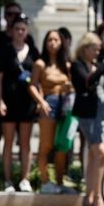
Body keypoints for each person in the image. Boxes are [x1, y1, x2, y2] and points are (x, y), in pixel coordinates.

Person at [71, 32, 104, 206]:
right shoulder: (77, 65)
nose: (97, 52)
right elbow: (87, 82)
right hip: (87, 114)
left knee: (96, 156)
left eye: (98, 50)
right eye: (94, 49)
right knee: (101, 152)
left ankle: (91, 195)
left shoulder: (98, 64)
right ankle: (99, 197)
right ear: (85, 48)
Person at [0, 13, 40, 192]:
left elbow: (38, 78)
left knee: (25, 142)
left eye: (23, 29)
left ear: (27, 31)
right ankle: (7, 180)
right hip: (9, 100)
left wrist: (39, 100)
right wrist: (0, 101)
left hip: (27, 102)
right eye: (17, 29)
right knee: (8, 142)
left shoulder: (33, 51)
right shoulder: (5, 50)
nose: (20, 32)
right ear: (12, 31)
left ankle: (25, 179)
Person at [0, 1, 36, 163]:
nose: (13, 17)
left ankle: (24, 178)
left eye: (17, 14)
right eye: (10, 14)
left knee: (24, 140)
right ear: (5, 16)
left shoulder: (30, 43)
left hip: (25, 99)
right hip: (3, 95)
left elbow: (37, 68)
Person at [28, 30, 73, 194]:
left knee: (62, 148)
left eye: (56, 40)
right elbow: (32, 85)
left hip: (66, 106)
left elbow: (74, 85)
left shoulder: (67, 65)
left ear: (61, 42)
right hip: (49, 104)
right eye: (49, 40)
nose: (52, 43)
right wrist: (41, 102)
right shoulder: (40, 64)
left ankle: (60, 182)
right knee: (46, 146)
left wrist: (69, 87)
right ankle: (46, 182)